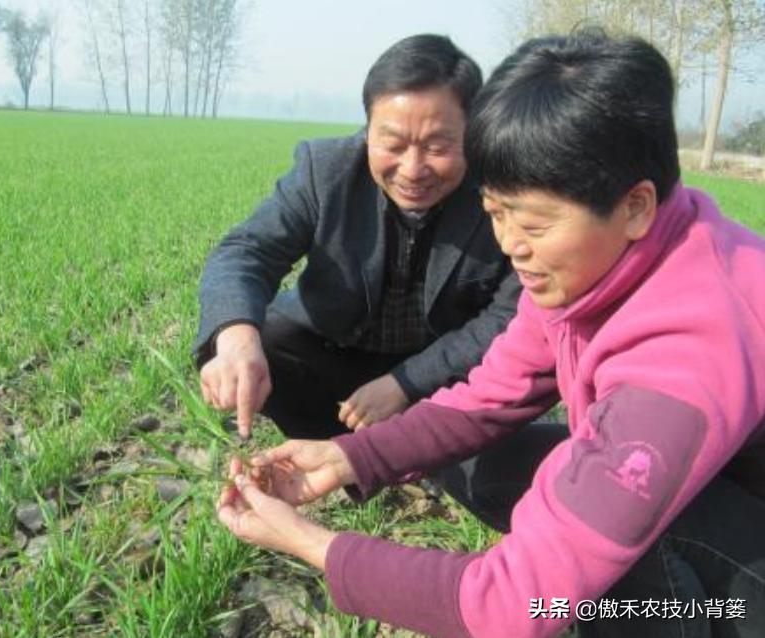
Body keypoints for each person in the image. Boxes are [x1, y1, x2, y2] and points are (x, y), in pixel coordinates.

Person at [216, 30, 765, 638]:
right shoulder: (597, 262)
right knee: (490, 463)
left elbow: (509, 603)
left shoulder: (689, 346)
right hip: (713, 491)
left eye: (530, 221)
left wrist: (309, 542)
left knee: (611, 567)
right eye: (495, 213)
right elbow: (491, 395)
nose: (509, 245)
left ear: (635, 205)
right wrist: (346, 457)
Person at [193, 34, 520, 440]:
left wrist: (406, 382)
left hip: (440, 368)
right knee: (270, 341)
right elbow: (247, 252)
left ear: (472, 134)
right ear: (368, 129)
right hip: (336, 352)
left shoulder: (500, 192)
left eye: (438, 146)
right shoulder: (325, 172)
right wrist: (236, 338)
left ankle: (418, 448)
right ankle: (341, 445)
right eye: (393, 144)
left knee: (497, 383)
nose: (413, 169)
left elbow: (509, 315)